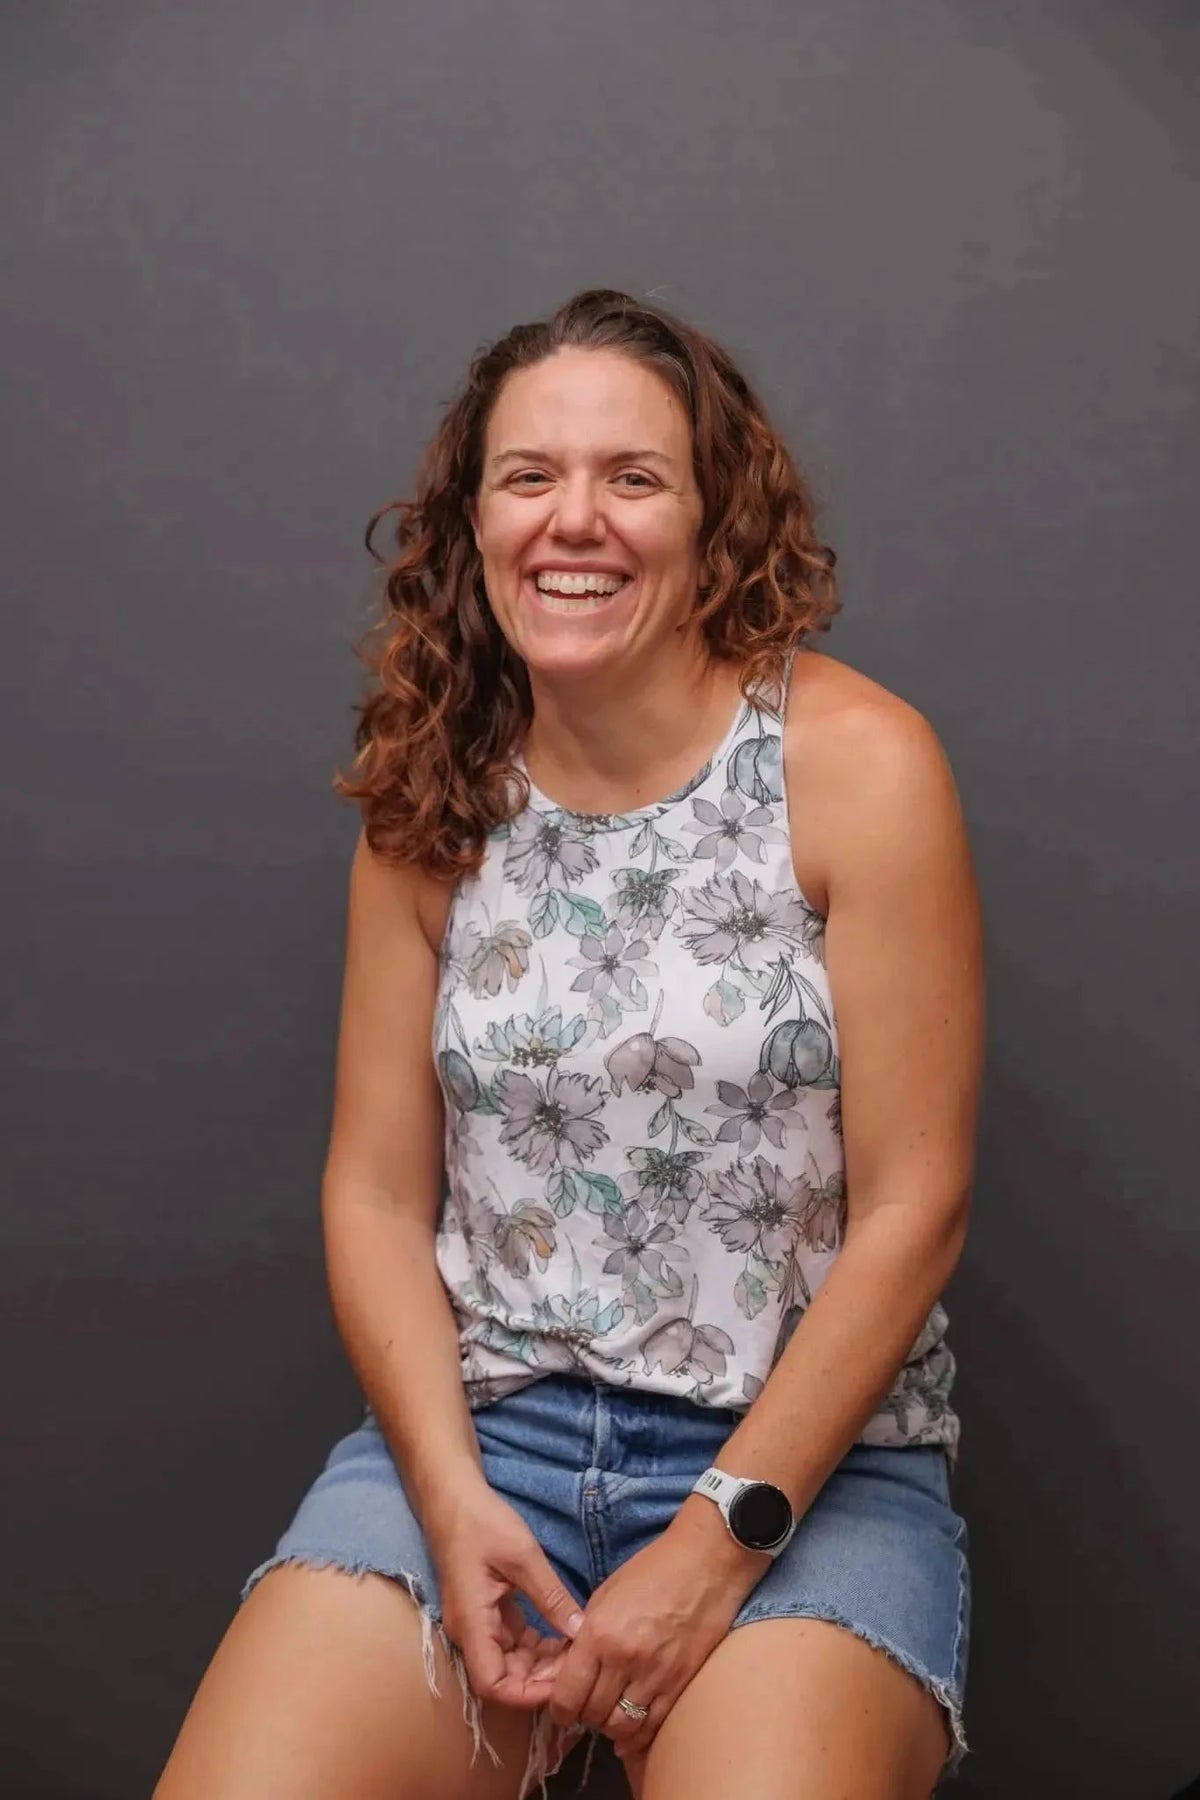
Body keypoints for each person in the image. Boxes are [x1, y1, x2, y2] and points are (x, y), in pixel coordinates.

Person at [156, 288, 984, 1800]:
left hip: (806, 1478)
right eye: (529, 476)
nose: (574, 520)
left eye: (634, 477)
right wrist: (446, 1493)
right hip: (492, 1453)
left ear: (714, 516)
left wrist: (718, 1539)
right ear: (474, 523)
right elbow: (375, 1196)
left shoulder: (860, 765)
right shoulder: (434, 791)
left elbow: (914, 1207)